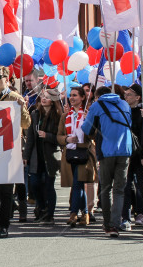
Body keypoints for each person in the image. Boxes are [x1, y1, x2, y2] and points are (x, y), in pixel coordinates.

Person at [0, 66, 30, 238]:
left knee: (5, 190)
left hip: (9, 149)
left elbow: (26, 124)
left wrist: (22, 108)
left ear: (6, 79)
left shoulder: (14, 98)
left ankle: (3, 225)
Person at [81, 85, 133, 237]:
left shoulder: (97, 106)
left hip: (107, 150)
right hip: (125, 149)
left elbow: (87, 129)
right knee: (119, 189)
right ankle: (116, 224)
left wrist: (87, 118)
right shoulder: (124, 103)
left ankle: (108, 224)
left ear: (97, 97)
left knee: (105, 187)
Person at [58, 85, 96, 227]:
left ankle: (74, 213)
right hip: (70, 152)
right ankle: (85, 213)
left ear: (82, 98)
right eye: (71, 95)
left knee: (78, 183)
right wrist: (67, 139)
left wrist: (89, 122)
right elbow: (59, 135)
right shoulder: (65, 116)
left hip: (83, 152)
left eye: (75, 95)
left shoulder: (88, 114)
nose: (72, 98)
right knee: (76, 184)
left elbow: (93, 135)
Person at [24, 88, 62, 224]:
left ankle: (49, 213)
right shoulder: (35, 114)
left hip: (50, 156)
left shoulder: (58, 115)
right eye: (42, 97)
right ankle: (41, 207)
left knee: (49, 185)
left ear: (53, 101)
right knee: (34, 184)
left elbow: (61, 137)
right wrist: (26, 156)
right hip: (36, 155)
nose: (44, 99)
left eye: (47, 97)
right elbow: (30, 138)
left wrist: (48, 136)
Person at [123, 84, 143, 227]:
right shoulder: (123, 111)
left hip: (139, 155)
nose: (126, 96)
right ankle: (126, 217)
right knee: (126, 187)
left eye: (129, 94)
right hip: (125, 154)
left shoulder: (142, 113)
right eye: (125, 94)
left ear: (137, 97)